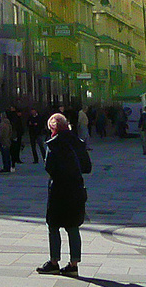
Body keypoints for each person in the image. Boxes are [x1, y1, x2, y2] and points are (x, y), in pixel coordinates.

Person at [36, 112, 90, 277]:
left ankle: (54, 262)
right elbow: (87, 167)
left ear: (53, 128)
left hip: (59, 191)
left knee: (53, 226)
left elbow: (49, 168)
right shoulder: (78, 143)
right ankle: (73, 264)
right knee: (73, 227)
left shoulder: (53, 145)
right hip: (76, 190)